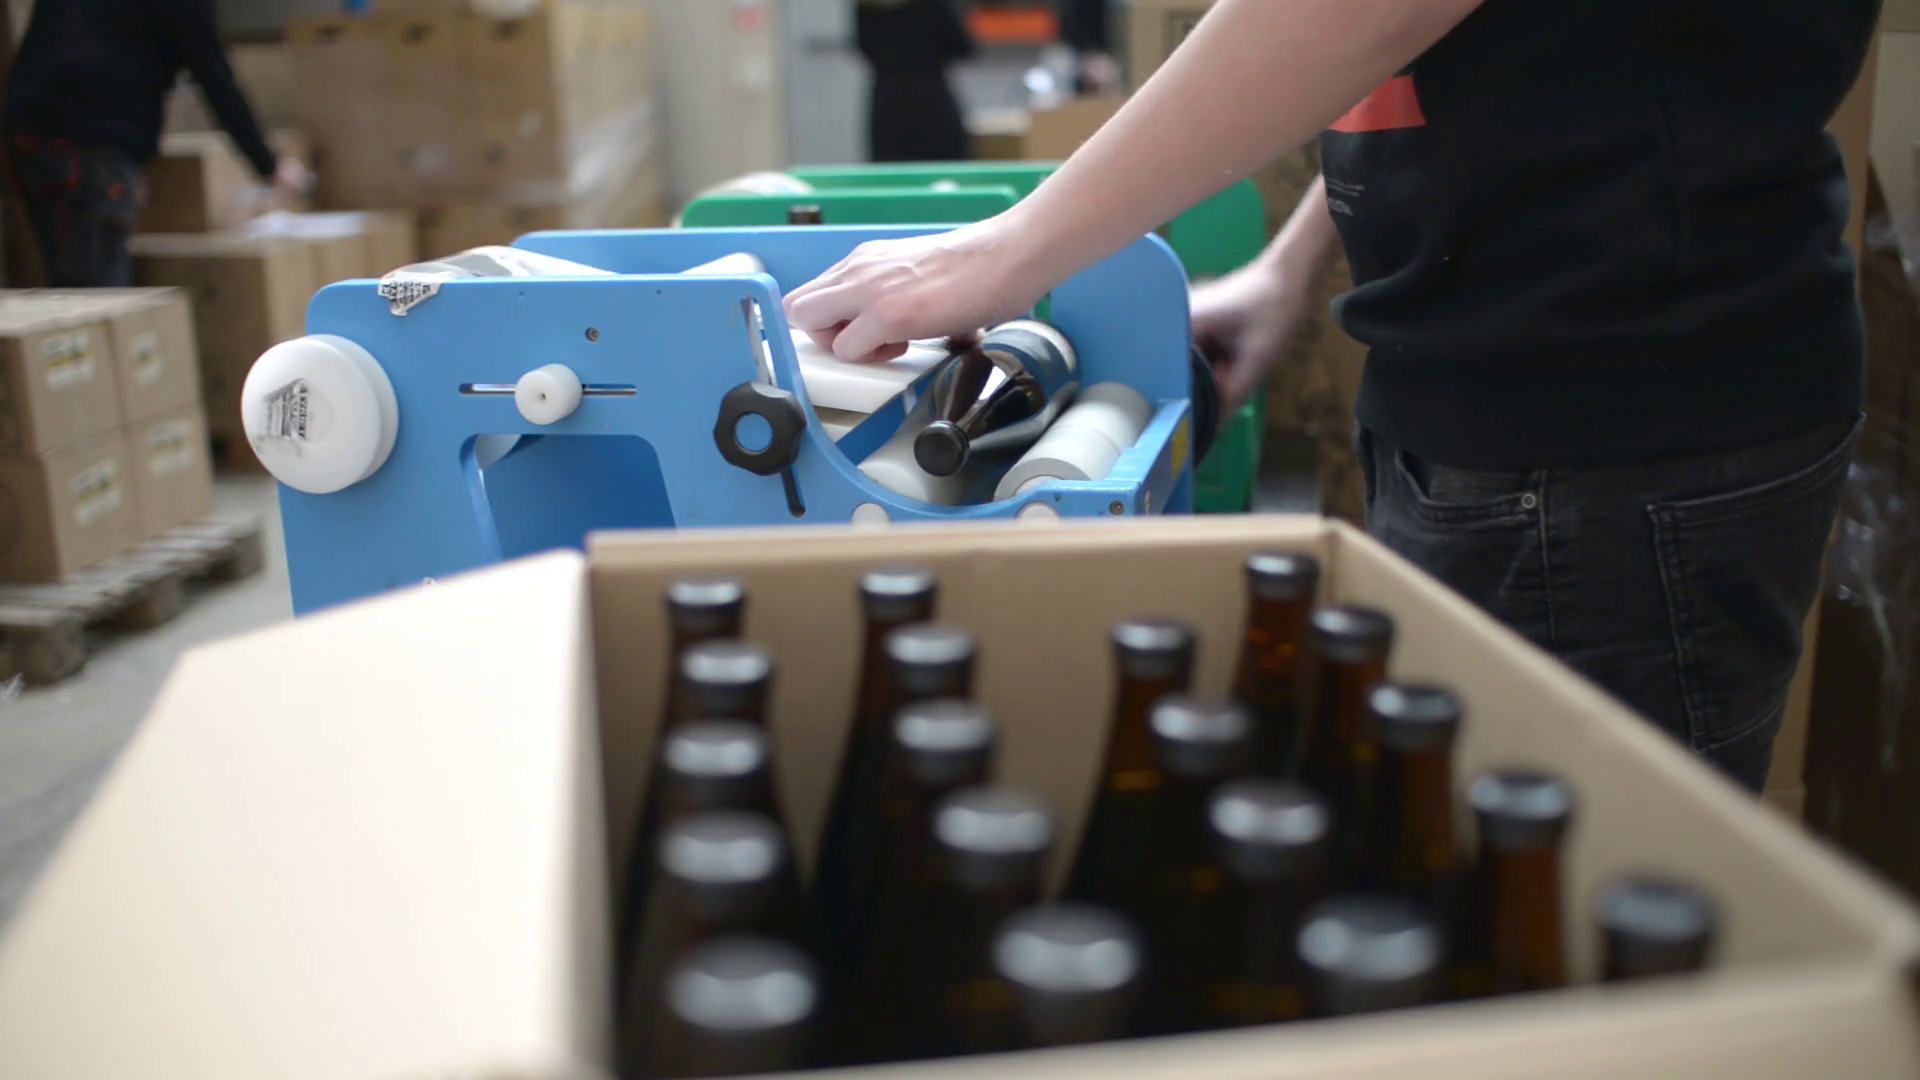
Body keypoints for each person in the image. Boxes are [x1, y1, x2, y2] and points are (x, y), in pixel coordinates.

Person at [785, 0, 1880, 795]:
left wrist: (1011, 251)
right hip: (1508, 402)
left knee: (1565, 943)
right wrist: (1291, 266)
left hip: (1615, 432)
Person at [4, 0, 309, 286]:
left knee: (70, 281)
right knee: (97, 297)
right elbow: (215, 77)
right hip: (89, 145)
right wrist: (269, 164)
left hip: (32, 133)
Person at [856, 0, 975, 164]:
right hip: (931, 100)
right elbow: (964, 47)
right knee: (946, 177)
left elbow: (862, 46)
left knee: (893, 177)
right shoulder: (933, 5)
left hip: (887, 104)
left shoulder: (866, 5)